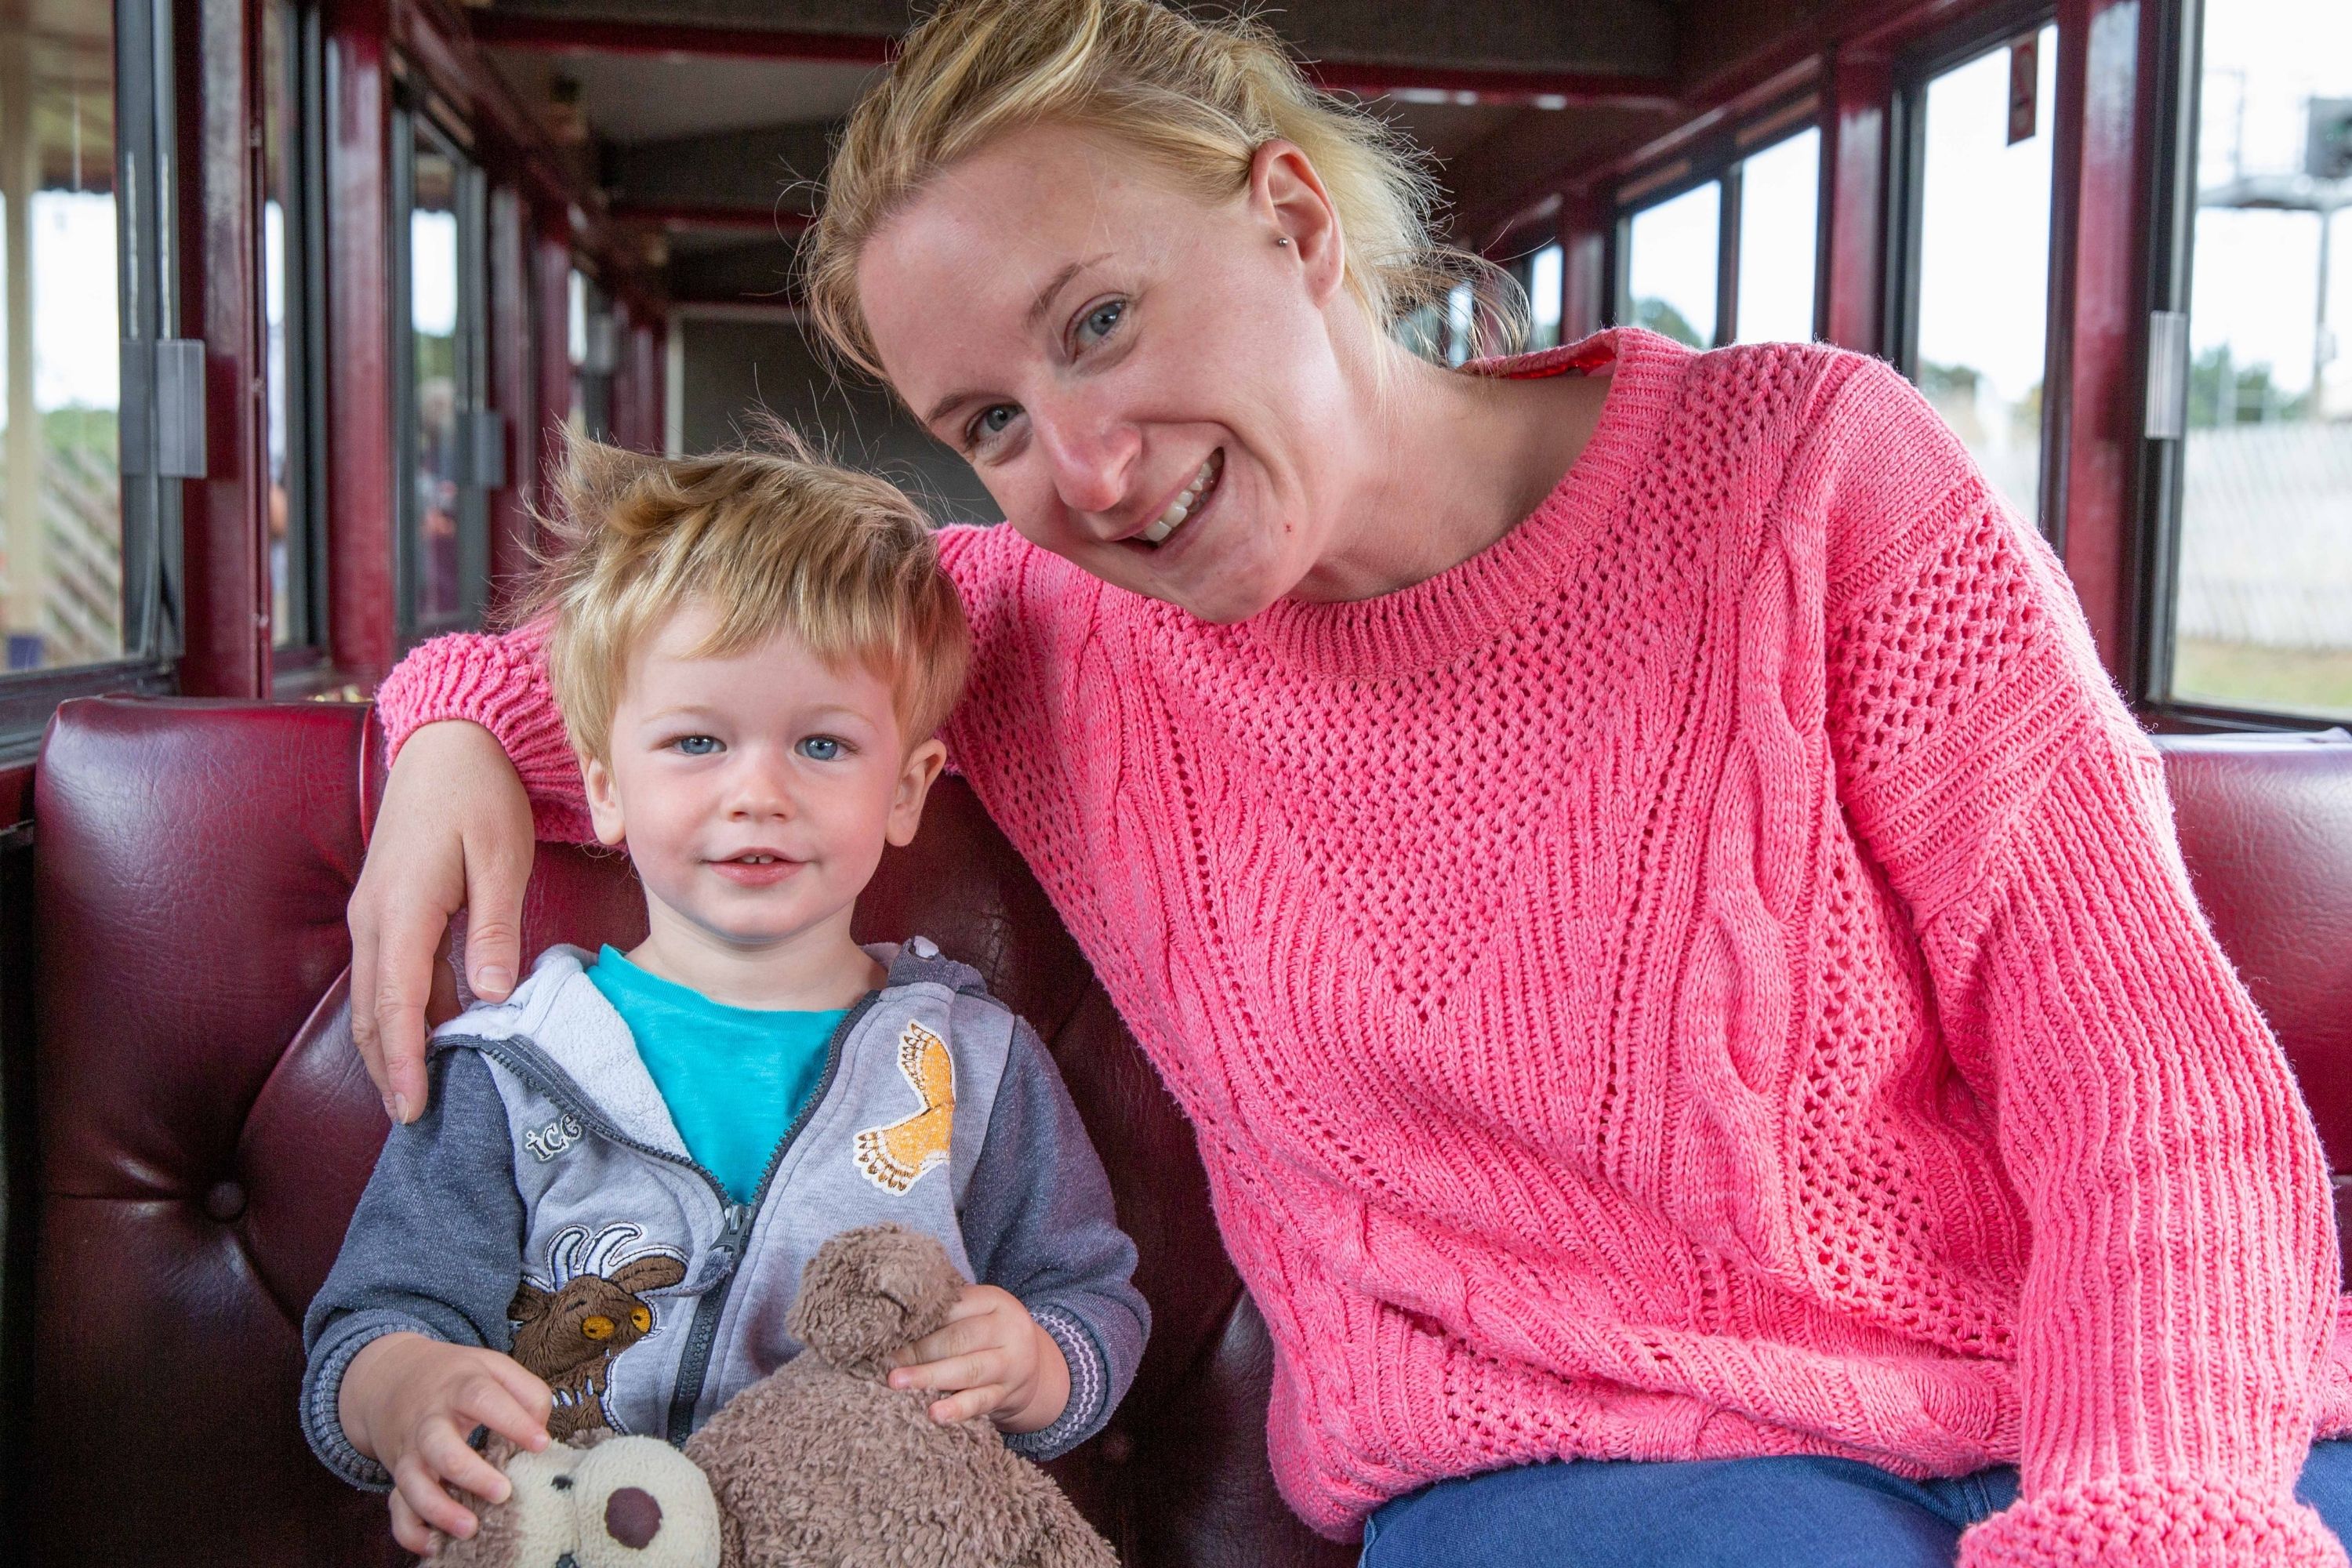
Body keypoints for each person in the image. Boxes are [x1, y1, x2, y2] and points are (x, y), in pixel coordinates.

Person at [344, 1, 2352, 1563]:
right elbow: (649, 672)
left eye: (1102, 321)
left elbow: (2147, 1079)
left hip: (2138, 1413)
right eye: (993, 420)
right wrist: (441, 721)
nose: (1090, 469)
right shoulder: (1040, 629)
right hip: (1580, 1476)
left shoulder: (1817, 478)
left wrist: (2154, 1508)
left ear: (1295, 215)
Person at [304, 432, 1148, 1555]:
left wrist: (1041, 1365)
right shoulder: (514, 1068)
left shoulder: (976, 1066)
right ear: (604, 785)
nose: (758, 792)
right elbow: (376, 1321)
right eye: (697, 741)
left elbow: (1090, 1295)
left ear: (906, 791)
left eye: (822, 746)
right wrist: (409, 1393)